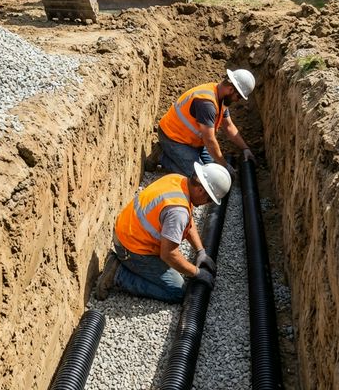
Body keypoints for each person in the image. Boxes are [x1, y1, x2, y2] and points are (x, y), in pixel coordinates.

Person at [95, 162, 231, 303]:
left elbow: (188, 223)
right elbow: (168, 254)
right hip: (131, 248)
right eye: (209, 199)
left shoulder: (178, 180)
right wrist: (197, 273)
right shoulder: (178, 211)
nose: (207, 203)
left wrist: (200, 251)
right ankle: (118, 274)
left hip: (128, 233)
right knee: (177, 291)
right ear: (201, 190)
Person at [156, 68, 256, 178]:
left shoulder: (220, 96)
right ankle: (162, 157)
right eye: (239, 96)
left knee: (214, 172)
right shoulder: (207, 104)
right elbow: (209, 140)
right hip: (173, 138)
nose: (237, 100)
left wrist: (245, 148)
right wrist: (225, 165)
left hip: (194, 142)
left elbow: (228, 127)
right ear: (231, 89)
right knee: (201, 178)